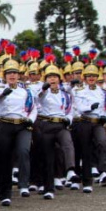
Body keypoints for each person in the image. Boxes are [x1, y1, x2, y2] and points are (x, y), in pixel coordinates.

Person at [0, 46, 37, 204]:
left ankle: (23, 184)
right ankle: (5, 191)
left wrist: (31, 119)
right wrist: (4, 93)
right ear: (5, 75)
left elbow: (33, 107)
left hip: (22, 125)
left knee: (23, 151)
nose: (12, 76)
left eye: (15, 73)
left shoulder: (25, 91)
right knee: (4, 157)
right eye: (9, 73)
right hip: (5, 124)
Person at [32, 59, 72, 200]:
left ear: (59, 79)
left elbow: (70, 111)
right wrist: (44, 88)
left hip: (61, 125)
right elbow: (38, 98)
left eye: (55, 76)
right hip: (47, 126)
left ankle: (70, 170)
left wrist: (69, 120)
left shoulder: (65, 94)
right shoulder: (44, 93)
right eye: (49, 77)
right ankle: (49, 188)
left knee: (67, 143)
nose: (52, 79)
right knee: (48, 157)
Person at [70, 62, 106, 193]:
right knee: (84, 151)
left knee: (102, 143)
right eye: (88, 76)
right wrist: (89, 108)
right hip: (84, 121)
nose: (91, 78)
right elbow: (79, 107)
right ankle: (87, 181)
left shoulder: (104, 92)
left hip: (98, 122)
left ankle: (102, 170)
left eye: (93, 76)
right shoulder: (78, 91)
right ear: (85, 77)